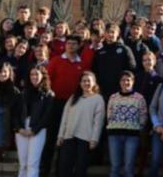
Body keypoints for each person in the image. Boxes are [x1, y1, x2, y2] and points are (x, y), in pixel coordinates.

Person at [43, 35, 85, 176]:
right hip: (56, 103)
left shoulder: (82, 63)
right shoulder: (56, 60)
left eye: (74, 44)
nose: (71, 46)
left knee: (66, 141)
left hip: (74, 105)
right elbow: (47, 81)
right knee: (51, 139)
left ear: (79, 46)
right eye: (69, 43)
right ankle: (44, 171)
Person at [57, 71, 105, 177]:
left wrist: (94, 139)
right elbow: (64, 117)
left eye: (89, 81)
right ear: (80, 83)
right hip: (68, 137)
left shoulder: (98, 99)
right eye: (84, 81)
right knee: (64, 168)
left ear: (94, 83)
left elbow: (98, 122)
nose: (86, 83)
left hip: (85, 139)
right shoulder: (73, 98)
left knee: (80, 169)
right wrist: (60, 135)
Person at [13, 66, 54, 177]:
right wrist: (19, 128)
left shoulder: (48, 95)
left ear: (43, 76)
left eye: (37, 74)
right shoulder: (23, 93)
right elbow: (15, 113)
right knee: (23, 164)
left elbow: (47, 116)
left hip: (38, 129)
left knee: (33, 164)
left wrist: (34, 130)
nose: (34, 77)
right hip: (22, 129)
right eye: (32, 74)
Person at [106, 71, 147, 177]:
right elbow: (109, 115)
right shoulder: (113, 97)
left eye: (128, 80)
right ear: (120, 82)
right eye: (123, 80)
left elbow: (143, 115)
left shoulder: (139, 98)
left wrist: (138, 128)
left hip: (132, 136)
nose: (125, 82)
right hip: (114, 135)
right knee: (115, 166)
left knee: (129, 166)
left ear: (133, 82)